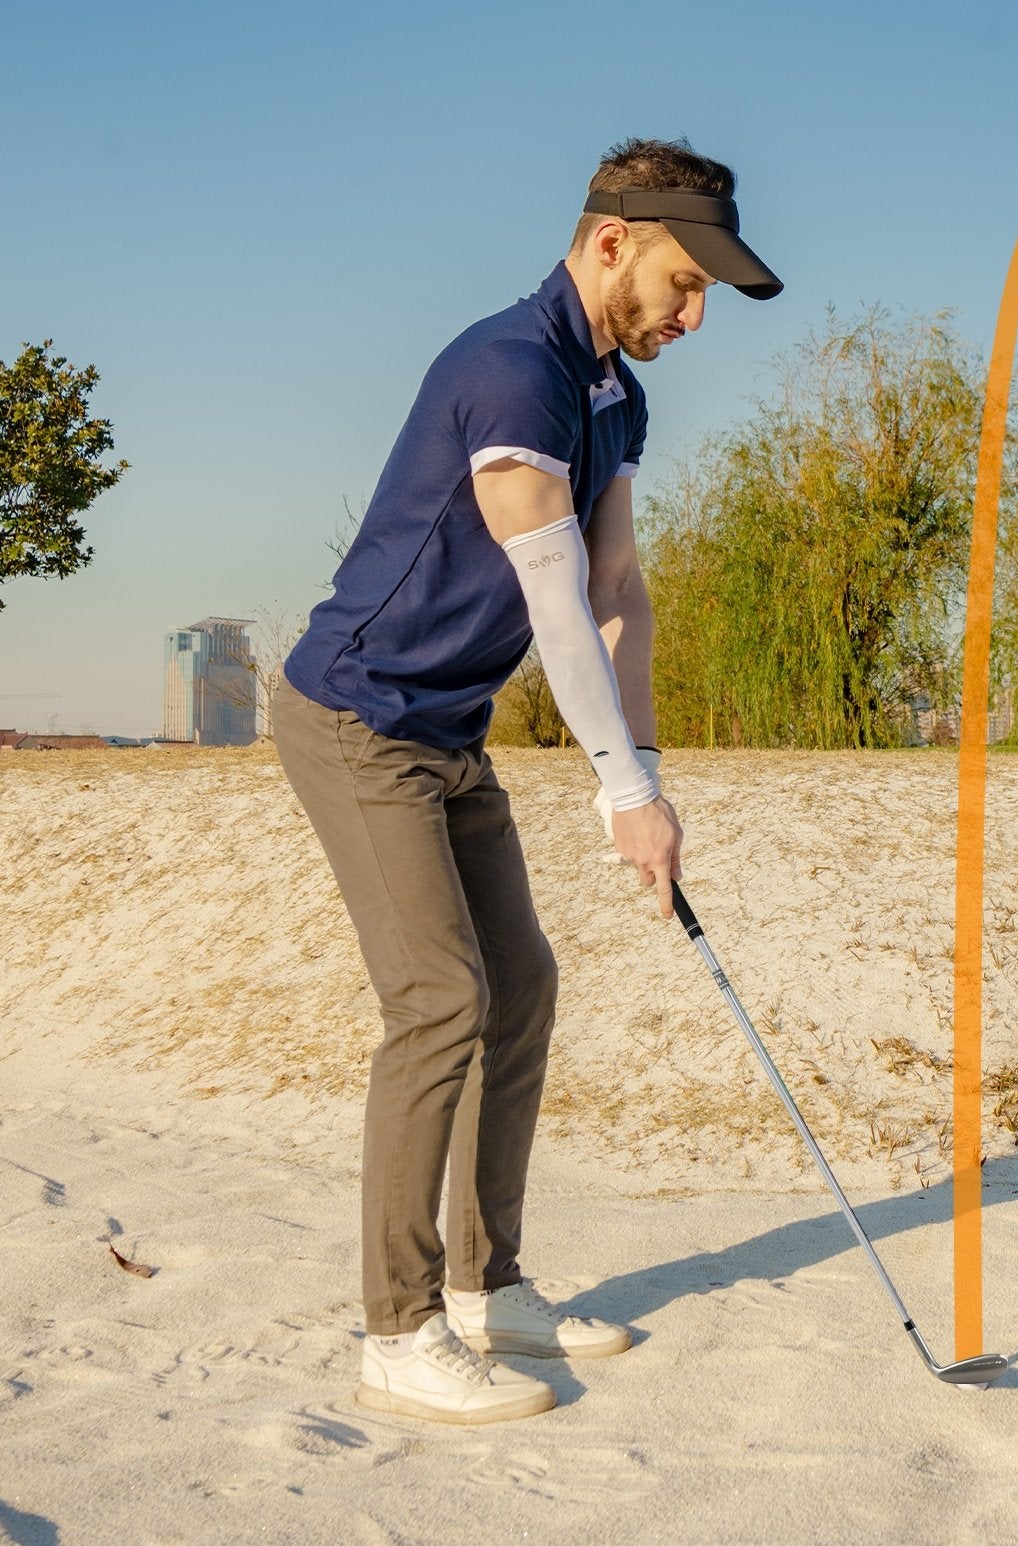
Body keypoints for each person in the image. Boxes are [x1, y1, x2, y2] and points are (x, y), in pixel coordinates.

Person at [272, 137, 782, 1425]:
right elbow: (552, 603)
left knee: (525, 987)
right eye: (684, 281)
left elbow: (618, 594)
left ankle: (491, 1288)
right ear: (613, 240)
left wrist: (650, 773)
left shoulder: (615, 397)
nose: (695, 312)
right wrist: (620, 796)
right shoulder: (510, 370)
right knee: (441, 999)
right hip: (357, 715)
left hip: (447, 731)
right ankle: (397, 1328)